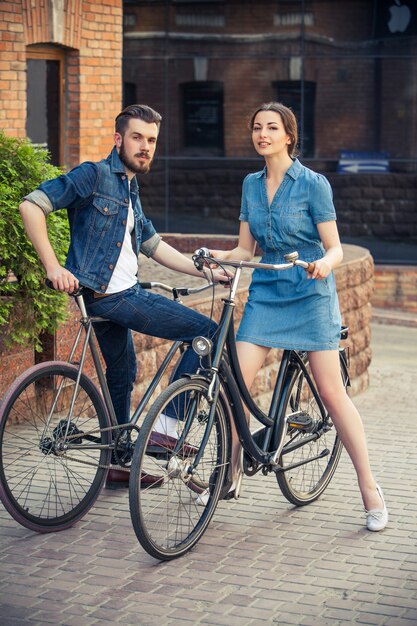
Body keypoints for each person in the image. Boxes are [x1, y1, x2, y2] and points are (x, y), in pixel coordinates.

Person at [19, 104, 230, 490]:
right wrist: (53, 266)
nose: (145, 146)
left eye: (151, 140)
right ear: (118, 139)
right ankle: (166, 429)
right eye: (137, 138)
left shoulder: (130, 188)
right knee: (207, 332)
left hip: (110, 299)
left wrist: (205, 270)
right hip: (114, 297)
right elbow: (31, 205)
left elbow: (152, 244)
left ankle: (116, 463)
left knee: (123, 373)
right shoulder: (93, 175)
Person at [208, 102, 388, 531]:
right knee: (235, 383)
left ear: (289, 136)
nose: (262, 134)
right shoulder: (250, 185)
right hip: (267, 292)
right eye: (256, 127)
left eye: (272, 128)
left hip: (310, 292)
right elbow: (244, 251)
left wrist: (326, 263)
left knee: (331, 392)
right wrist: (214, 259)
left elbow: (336, 247)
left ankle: (370, 488)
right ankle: (230, 471)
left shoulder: (313, 184)